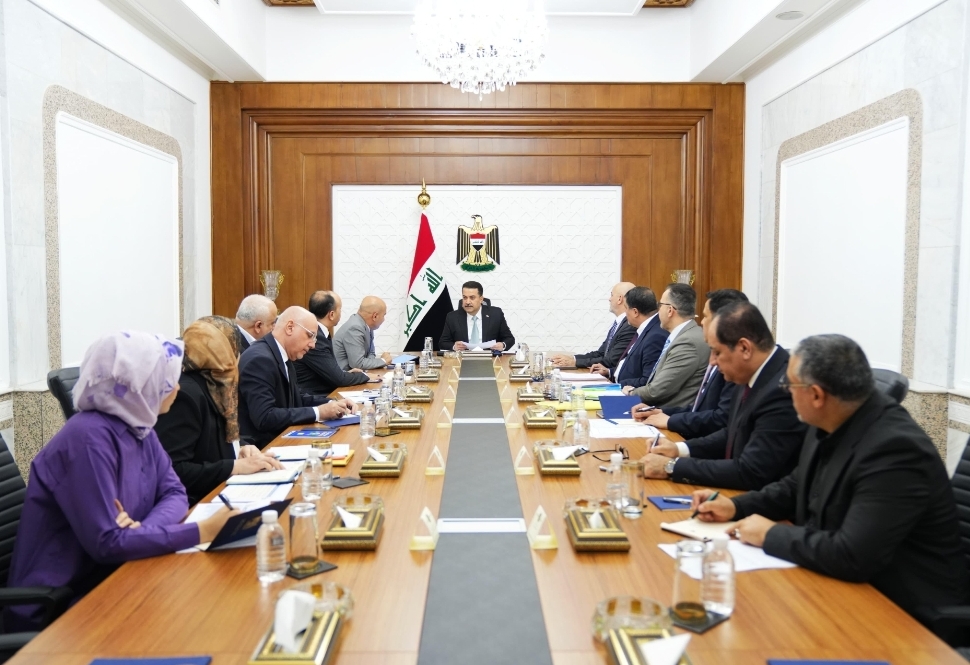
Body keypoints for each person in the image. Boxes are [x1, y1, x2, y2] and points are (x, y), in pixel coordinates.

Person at [692, 334, 970, 620]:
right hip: (841, 584)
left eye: (789, 385)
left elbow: (853, 555)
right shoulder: (831, 417)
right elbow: (795, 486)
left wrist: (769, 534)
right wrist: (736, 506)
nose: (785, 392)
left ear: (816, 395)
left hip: (908, 613)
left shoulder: (896, 449)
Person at [6, 332, 236, 631]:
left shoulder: (140, 426)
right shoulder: (87, 440)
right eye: (167, 380)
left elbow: (174, 492)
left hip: (118, 573)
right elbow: (108, 544)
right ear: (139, 385)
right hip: (63, 606)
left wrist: (142, 531)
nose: (178, 388)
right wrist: (203, 530)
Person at [641, 301, 806, 490]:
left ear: (744, 348)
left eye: (717, 352)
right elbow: (731, 433)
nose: (712, 361)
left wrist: (671, 466)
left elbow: (752, 471)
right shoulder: (749, 373)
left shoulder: (783, 388)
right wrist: (678, 449)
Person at [155, 316, 283, 505]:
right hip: (200, 503)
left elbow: (215, 438)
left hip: (225, 491)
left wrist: (242, 447)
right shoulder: (185, 394)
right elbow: (174, 470)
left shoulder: (215, 383)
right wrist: (234, 466)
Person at [633, 288, 746, 437]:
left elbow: (720, 419)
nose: (701, 322)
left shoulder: (690, 342)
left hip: (696, 435)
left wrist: (672, 423)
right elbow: (700, 407)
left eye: (705, 316)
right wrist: (661, 412)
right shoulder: (688, 338)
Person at [239, 306, 358, 448]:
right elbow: (265, 417)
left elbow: (296, 398)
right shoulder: (260, 359)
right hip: (264, 448)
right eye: (310, 335)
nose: (313, 345)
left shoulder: (281, 353)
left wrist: (333, 403)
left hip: (283, 440)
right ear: (290, 327)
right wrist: (319, 412)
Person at [622, 283, 708, 408]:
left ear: (670, 310)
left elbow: (657, 391)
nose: (658, 310)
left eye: (660, 305)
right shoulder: (683, 335)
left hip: (669, 414)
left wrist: (631, 392)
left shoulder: (688, 342)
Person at [296, 291, 373, 394]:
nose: (341, 312)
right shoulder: (315, 337)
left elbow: (329, 371)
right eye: (340, 309)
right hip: (315, 397)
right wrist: (365, 375)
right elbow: (339, 380)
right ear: (331, 314)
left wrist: (344, 373)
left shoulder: (320, 332)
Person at [590, 286, 667, 388]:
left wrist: (615, 386)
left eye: (626, 308)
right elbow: (633, 367)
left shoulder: (655, 336)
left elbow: (647, 381)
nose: (625, 313)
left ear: (635, 312)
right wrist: (609, 371)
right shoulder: (646, 327)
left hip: (629, 393)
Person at [549, 282, 636, 370]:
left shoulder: (629, 326)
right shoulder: (618, 324)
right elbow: (601, 353)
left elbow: (611, 360)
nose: (609, 299)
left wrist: (574, 362)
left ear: (619, 299)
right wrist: (572, 358)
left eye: (612, 295)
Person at [438, 281, 515, 352]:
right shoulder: (452, 317)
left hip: (489, 358)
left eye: (472, 297)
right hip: (462, 358)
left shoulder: (496, 314)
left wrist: (502, 345)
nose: (467, 302)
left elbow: (510, 339)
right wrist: (454, 346)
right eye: (465, 297)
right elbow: (442, 343)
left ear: (481, 299)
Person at [333, 296, 394, 370]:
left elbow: (371, 353)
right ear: (375, 316)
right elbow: (357, 364)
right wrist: (383, 361)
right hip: (344, 374)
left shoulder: (367, 325)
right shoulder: (355, 328)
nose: (384, 319)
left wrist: (375, 362)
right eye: (384, 315)